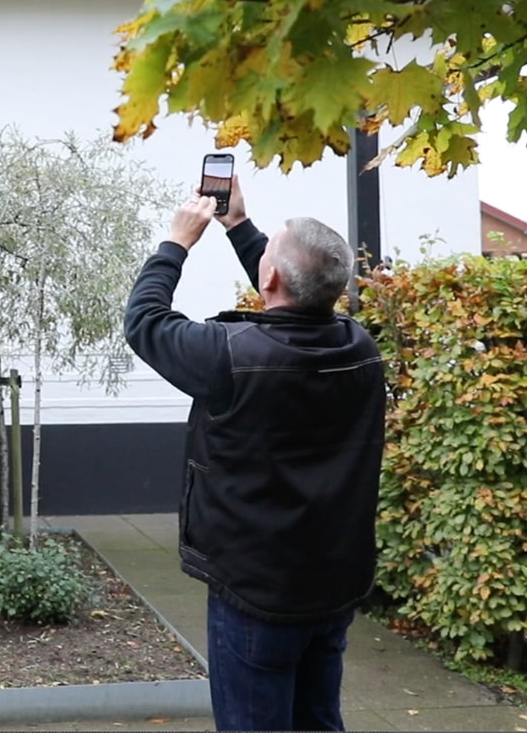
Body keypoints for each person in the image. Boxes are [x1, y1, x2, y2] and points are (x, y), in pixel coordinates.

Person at [123, 176, 386, 732]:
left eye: (268, 253)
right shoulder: (359, 348)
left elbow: (145, 321)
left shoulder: (230, 358)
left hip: (256, 592)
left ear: (269, 277)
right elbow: (298, 301)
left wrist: (177, 242)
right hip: (332, 583)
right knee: (319, 720)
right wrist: (240, 226)